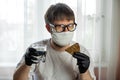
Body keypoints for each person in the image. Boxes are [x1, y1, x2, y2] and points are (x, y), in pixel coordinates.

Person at [13, 3, 96, 80]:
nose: (66, 31)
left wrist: (84, 71)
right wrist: (27, 64)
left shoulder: (81, 51)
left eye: (70, 25)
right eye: (60, 26)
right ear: (49, 28)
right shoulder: (37, 50)